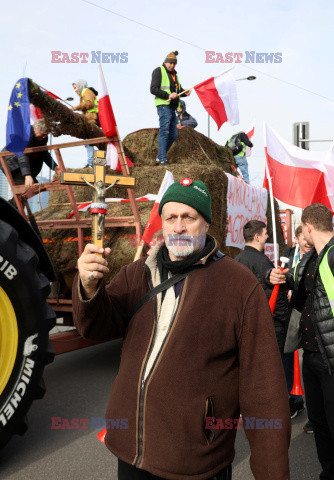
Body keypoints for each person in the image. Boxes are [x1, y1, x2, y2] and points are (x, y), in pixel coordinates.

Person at [72, 179, 290, 480]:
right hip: (130, 452)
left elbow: (263, 392)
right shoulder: (138, 273)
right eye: (170, 217)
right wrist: (88, 284)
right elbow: (93, 327)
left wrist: (272, 472)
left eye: (188, 217)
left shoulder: (239, 285)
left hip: (196, 462)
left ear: (206, 223)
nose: (178, 227)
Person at [283, 203, 334, 478]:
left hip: (331, 359)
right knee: (318, 421)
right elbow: (296, 284)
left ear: (308, 227)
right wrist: (275, 277)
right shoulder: (309, 259)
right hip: (311, 355)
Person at [235, 220, 290, 355]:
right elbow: (273, 295)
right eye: (265, 233)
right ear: (257, 237)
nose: (267, 236)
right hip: (270, 323)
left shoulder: (237, 259)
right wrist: (284, 319)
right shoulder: (261, 261)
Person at [283, 225, 312, 422]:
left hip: (309, 314)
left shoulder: (318, 255)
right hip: (291, 312)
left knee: (311, 362)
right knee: (292, 356)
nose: (307, 242)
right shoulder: (289, 253)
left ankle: (303, 403)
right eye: (303, 238)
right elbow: (285, 276)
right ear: (297, 239)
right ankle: (296, 400)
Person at [150, 51, 190, 166]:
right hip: (163, 105)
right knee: (164, 130)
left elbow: (177, 91)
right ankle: (162, 158)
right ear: (165, 61)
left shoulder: (174, 75)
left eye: (174, 64)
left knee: (173, 134)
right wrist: (168, 96)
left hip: (172, 107)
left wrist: (184, 92)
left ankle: (160, 156)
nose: (172, 65)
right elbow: (153, 89)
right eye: (170, 63)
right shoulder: (159, 71)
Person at [1, 119, 60, 188]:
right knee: (29, 187)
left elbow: (44, 153)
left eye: (46, 135)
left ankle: (18, 199)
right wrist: (27, 175)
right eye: (42, 134)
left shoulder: (43, 138)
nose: (44, 137)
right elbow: (23, 156)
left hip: (24, 166)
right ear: (35, 129)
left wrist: (55, 167)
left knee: (33, 186)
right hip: (13, 166)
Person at [72, 79, 99, 168]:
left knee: (88, 142)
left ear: (80, 85)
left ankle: (91, 163)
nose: (75, 90)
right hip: (88, 119)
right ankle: (91, 162)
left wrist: (77, 107)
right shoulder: (85, 93)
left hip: (91, 120)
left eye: (75, 87)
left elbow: (89, 104)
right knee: (87, 142)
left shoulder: (86, 91)